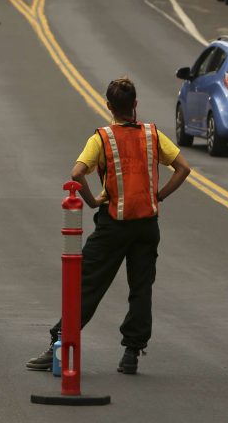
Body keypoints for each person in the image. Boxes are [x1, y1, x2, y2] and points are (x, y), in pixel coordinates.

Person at [26, 77, 191, 374]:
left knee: (86, 284)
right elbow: (183, 168)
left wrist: (92, 201)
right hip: (147, 225)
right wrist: (159, 195)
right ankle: (131, 353)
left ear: (109, 106)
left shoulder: (102, 138)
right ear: (135, 105)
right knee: (141, 288)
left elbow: (77, 173)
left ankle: (59, 344)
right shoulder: (153, 135)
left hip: (113, 225)